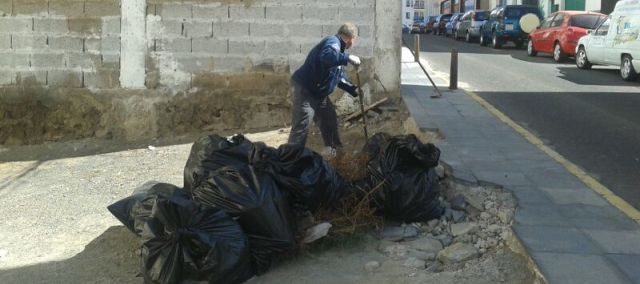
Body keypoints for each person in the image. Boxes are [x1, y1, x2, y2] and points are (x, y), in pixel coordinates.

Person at [287, 22, 361, 156]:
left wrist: (354, 90)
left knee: (329, 119)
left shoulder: (339, 51)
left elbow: (339, 78)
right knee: (302, 124)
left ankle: (335, 152)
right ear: (351, 38)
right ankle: (290, 161)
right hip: (305, 90)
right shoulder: (333, 42)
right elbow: (327, 58)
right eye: (354, 40)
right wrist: (348, 58)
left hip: (319, 94)